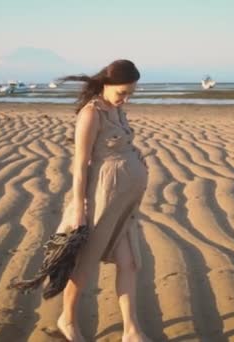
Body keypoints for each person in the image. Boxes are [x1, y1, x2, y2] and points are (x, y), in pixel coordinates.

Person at [55, 59, 151, 342]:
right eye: (122, 92)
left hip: (124, 206)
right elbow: (81, 163)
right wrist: (80, 209)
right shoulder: (91, 114)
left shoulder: (117, 110)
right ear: (107, 84)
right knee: (84, 265)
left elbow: (120, 144)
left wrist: (136, 155)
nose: (126, 98)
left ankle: (131, 330)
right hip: (101, 202)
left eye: (131, 93)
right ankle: (67, 319)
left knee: (129, 262)